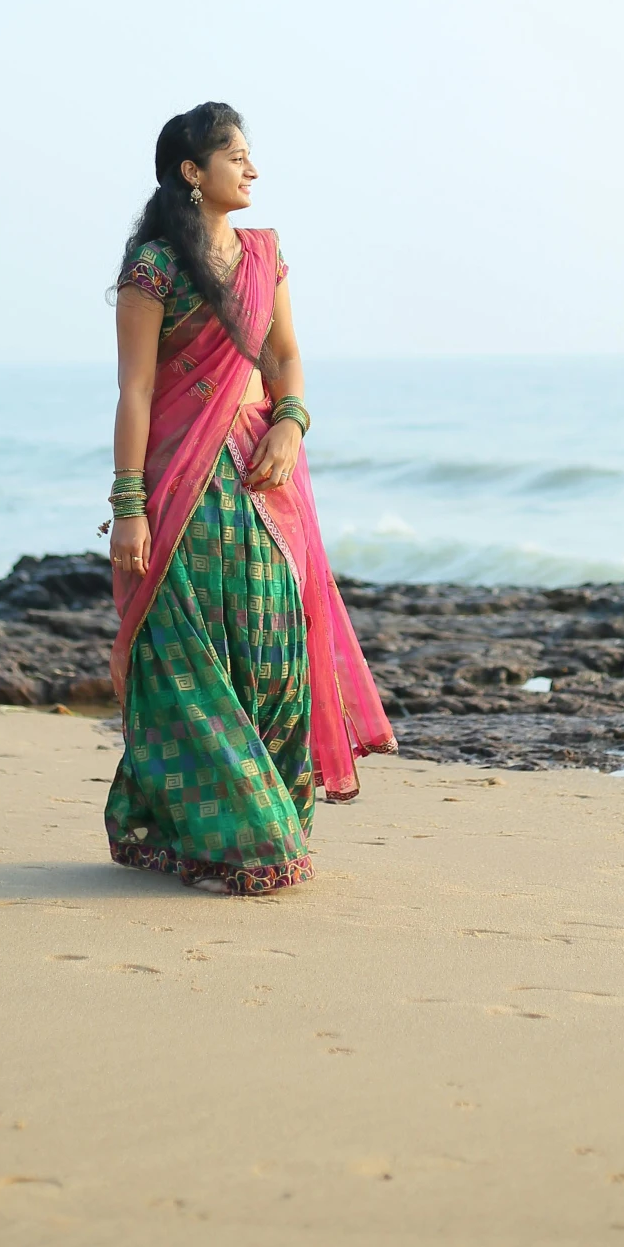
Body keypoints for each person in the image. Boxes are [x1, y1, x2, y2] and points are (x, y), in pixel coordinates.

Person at [103, 101, 395, 895]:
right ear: (193, 173)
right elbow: (134, 391)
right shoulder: (154, 268)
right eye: (236, 156)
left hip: (265, 484)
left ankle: (260, 816)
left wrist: (289, 426)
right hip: (181, 488)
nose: (252, 169)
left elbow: (287, 358)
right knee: (191, 660)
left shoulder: (264, 256)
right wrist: (128, 505)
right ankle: (233, 834)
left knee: (272, 650)